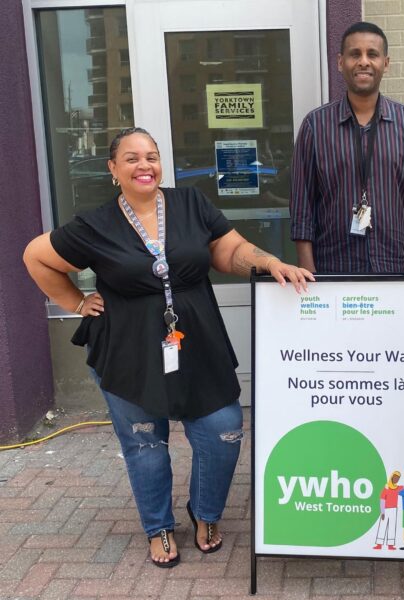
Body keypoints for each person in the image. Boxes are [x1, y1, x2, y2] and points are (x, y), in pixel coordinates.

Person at [23, 127, 314, 568]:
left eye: (152, 156)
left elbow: (228, 249)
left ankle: (206, 513)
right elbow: (36, 256)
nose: (145, 166)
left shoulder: (190, 204)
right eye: (133, 158)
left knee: (223, 430)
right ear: (113, 169)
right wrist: (76, 301)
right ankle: (158, 527)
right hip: (126, 352)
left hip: (198, 344)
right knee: (145, 443)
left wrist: (268, 261)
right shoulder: (96, 223)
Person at [290, 21, 404, 274]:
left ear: (385, 63)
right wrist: (308, 268)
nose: (364, 62)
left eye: (372, 54)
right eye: (354, 54)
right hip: (333, 271)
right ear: (340, 62)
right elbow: (302, 206)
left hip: (394, 268)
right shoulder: (315, 126)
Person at [373, 470, 401, 550]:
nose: (396, 479)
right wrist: (382, 512)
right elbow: (382, 500)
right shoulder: (386, 488)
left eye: (398, 478)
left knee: (392, 526)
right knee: (382, 526)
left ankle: (390, 545)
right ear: (392, 477)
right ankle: (379, 544)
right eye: (395, 477)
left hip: (394, 510)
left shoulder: (398, 488)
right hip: (385, 509)